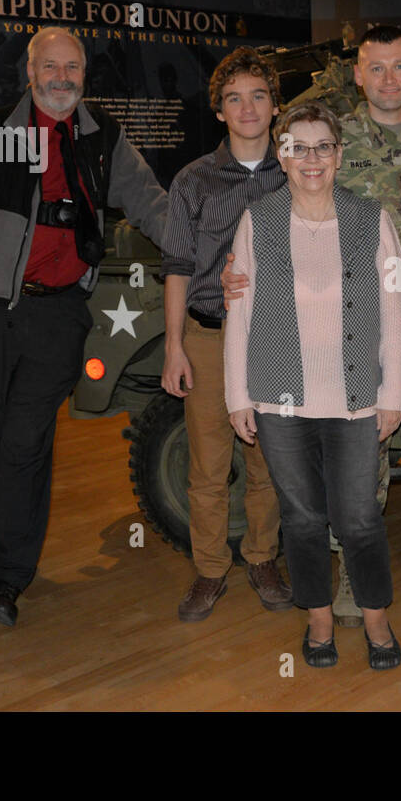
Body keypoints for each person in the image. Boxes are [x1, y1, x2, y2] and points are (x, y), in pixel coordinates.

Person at [226, 25, 401, 625]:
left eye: (399, 67)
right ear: (357, 75)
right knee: (358, 478)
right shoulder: (335, 138)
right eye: (375, 68)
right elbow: (277, 196)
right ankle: (346, 582)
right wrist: (235, 270)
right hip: (354, 336)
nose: (388, 78)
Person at [0, 26, 169, 627]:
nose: (62, 77)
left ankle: (7, 574)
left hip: (60, 315)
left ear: (83, 76)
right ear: (31, 71)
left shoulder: (101, 138)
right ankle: (6, 555)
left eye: (73, 68)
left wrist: (218, 247)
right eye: (51, 66)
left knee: (25, 442)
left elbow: (149, 202)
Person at [224, 101, 401, 669]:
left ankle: (376, 617)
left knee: (358, 517)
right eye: (297, 147)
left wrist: (392, 394)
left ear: (339, 155)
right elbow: (241, 312)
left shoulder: (371, 220)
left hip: (355, 400)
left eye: (322, 147)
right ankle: (318, 618)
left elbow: (394, 314)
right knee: (301, 516)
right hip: (279, 399)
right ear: (282, 156)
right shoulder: (259, 221)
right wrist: (237, 396)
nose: (311, 159)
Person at [159, 47, 292, 621]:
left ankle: (262, 557)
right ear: (219, 110)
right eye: (234, 98)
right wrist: (173, 347)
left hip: (277, 338)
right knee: (208, 465)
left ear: (275, 106)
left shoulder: (298, 173)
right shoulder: (193, 180)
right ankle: (210, 569)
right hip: (209, 338)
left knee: (269, 462)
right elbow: (176, 268)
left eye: (258, 96)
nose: (247, 108)